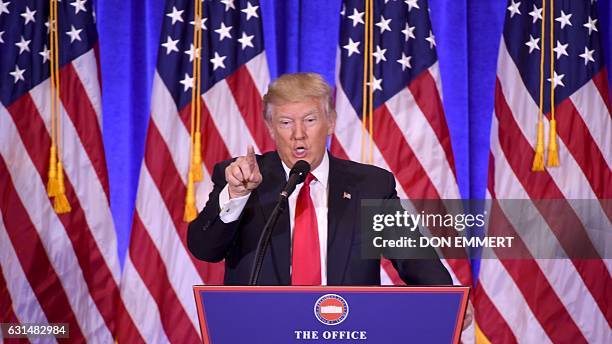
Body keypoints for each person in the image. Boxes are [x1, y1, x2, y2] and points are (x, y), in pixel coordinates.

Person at [187, 72, 452, 286]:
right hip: (263, 329)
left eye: (310, 120)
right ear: (270, 128)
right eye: (286, 123)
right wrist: (236, 196)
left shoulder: (370, 185)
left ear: (331, 122)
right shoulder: (242, 179)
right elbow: (204, 249)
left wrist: (449, 300)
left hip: (346, 330)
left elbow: (414, 258)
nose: (298, 134)